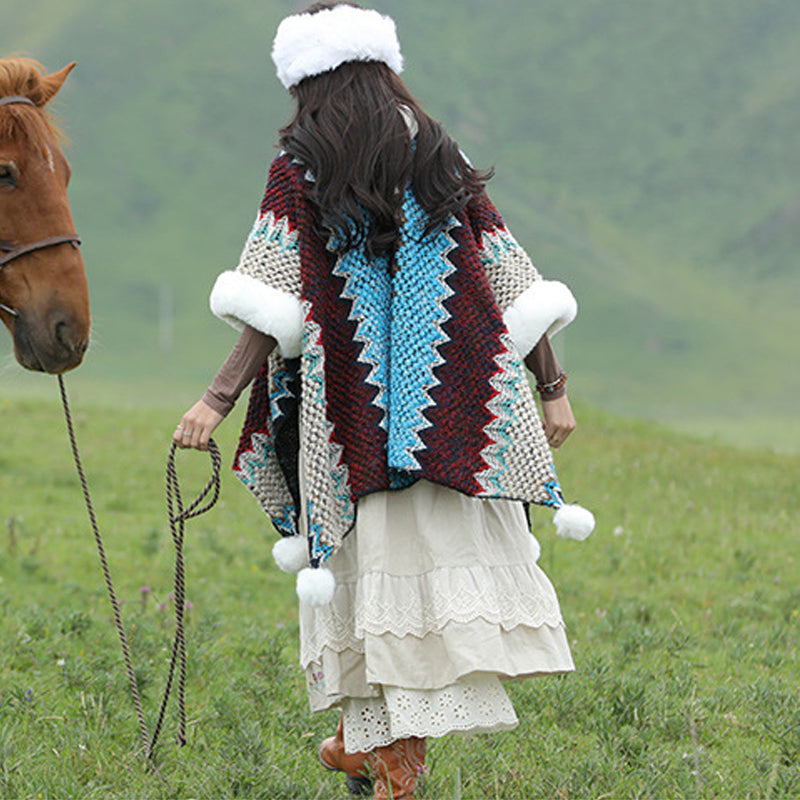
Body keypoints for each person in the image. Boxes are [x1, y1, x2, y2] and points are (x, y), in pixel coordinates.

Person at [174, 2, 593, 798]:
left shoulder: (301, 164)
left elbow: (271, 300)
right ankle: (365, 748)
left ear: (309, 82)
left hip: (348, 426)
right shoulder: (436, 150)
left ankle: (395, 766)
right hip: (456, 416)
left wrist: (215, 400)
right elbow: (508, 274)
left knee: (376, 589)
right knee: (416, 593)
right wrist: (553, 387)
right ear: (382, 70)